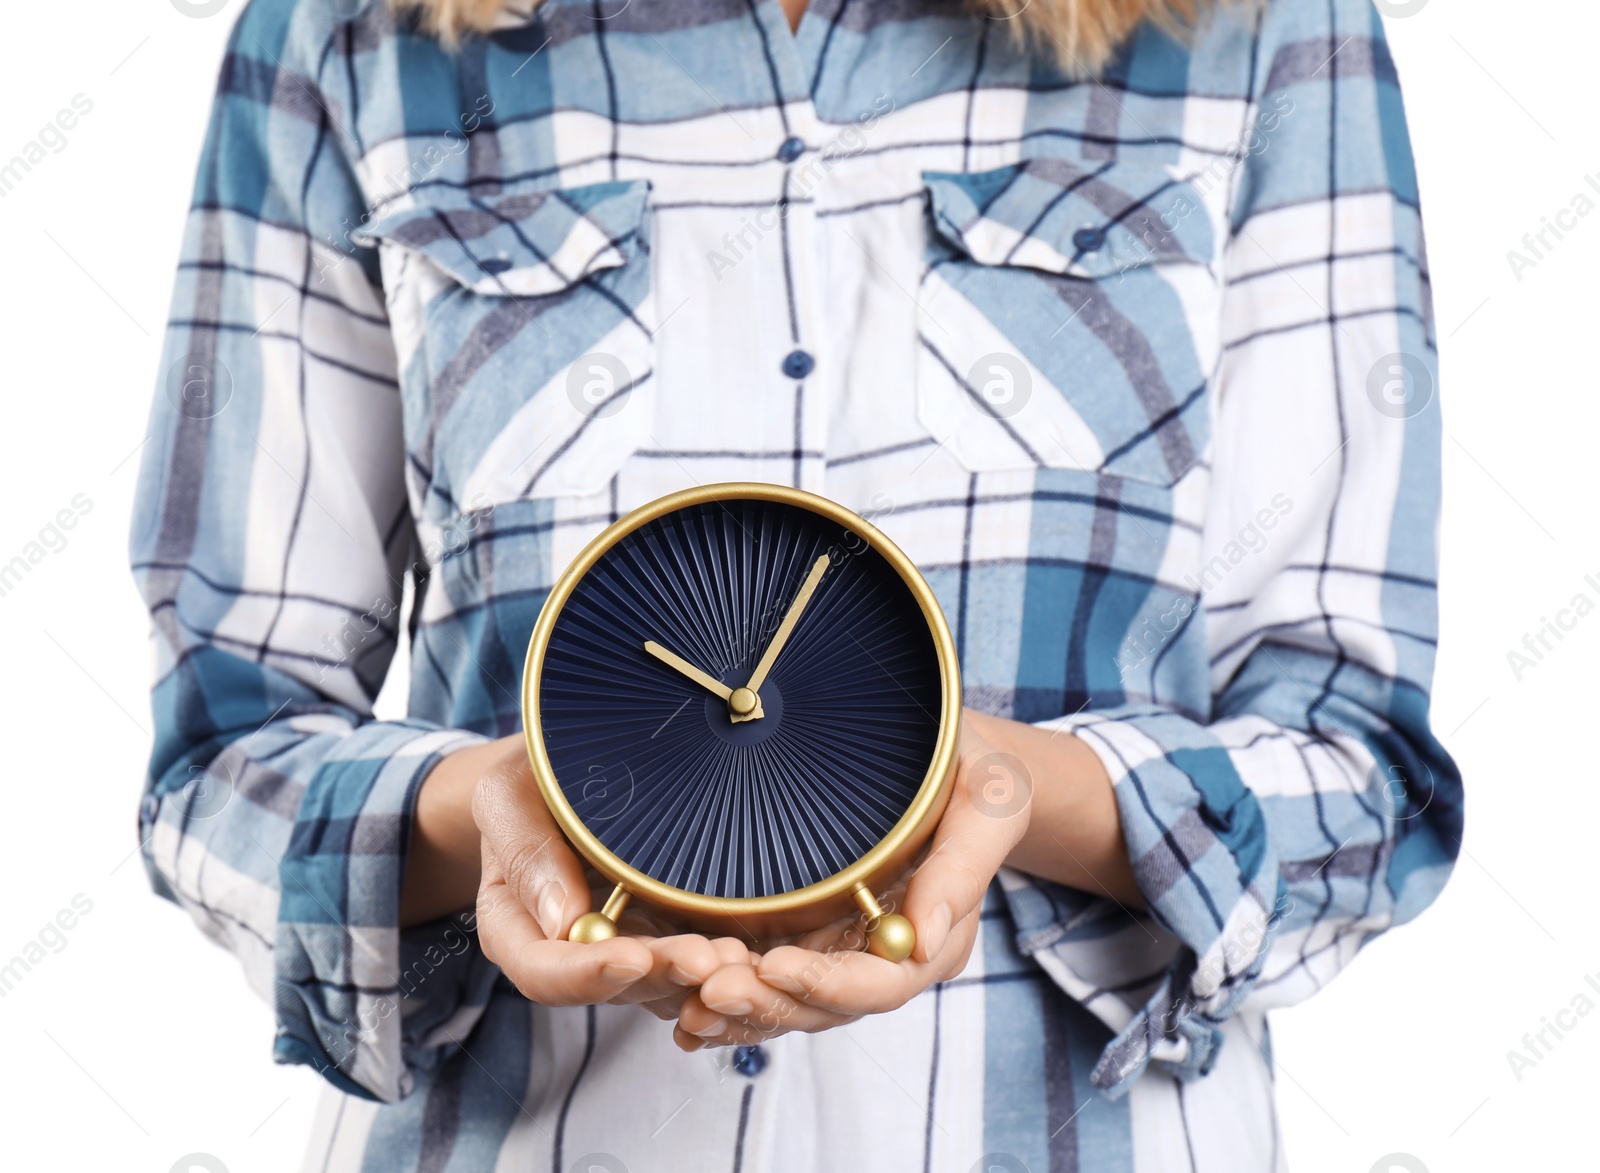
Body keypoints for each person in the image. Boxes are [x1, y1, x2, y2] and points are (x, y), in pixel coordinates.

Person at [130, 0, 1463, 1167]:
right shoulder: (347, 31)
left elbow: (1362, 774)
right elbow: (221, 753)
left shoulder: (1256, 29)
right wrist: (478, 812)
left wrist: (1013, 795)